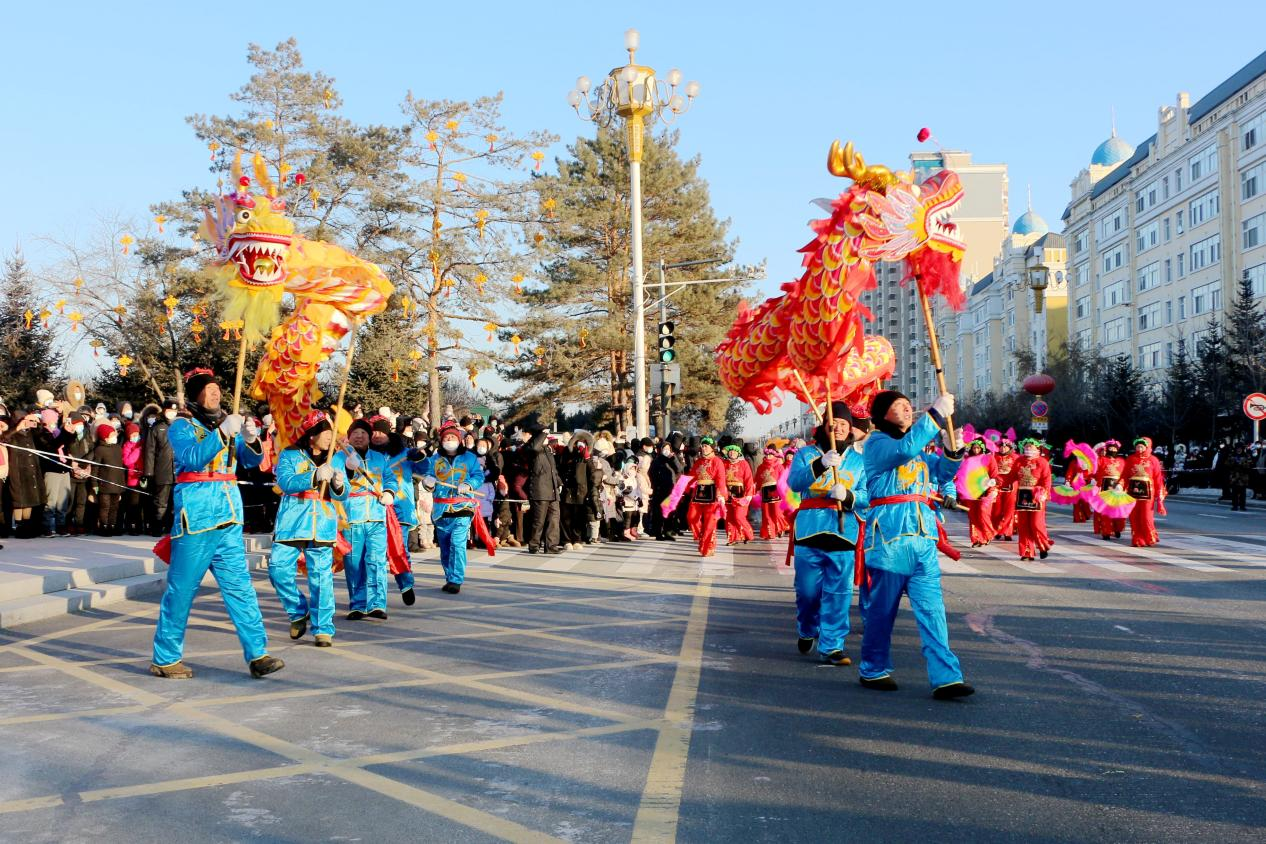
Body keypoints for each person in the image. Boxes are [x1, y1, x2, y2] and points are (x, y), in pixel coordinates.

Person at [150, 369, 282, 680]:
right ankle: (165, 657)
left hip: (229, 516)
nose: (215, 394)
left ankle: (258, 654)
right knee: (181, 591)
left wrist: (251, 440)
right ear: (195, 395)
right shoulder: (181, 426)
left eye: (217, 389)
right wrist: (223, 432)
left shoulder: (228, 421)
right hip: (196, 517)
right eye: (207, 390)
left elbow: (250, 464)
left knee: (241, 589)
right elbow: (193, 458)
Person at [859, 390, 973, 700]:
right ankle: (872, 667)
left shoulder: (919, 447)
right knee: (882, 611)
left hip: (923, 537)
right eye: (899, 408)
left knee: (933, 610)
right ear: (883, 415)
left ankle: (946, 676)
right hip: (889, 538)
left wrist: (952, 450)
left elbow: (942, 472)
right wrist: (935, 416)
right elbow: (904, 452)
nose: (908, 411)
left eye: (910, 407)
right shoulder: (878, 444)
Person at [787, 403, 868, 666]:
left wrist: (850, 496)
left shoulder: (858, 461)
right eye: (834, 424)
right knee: (807, 592)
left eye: (844, 425)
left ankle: (832, 645)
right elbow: (795, 483)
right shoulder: (806, 454)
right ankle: (807, 628)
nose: (839, 429)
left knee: (839, 593)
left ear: (850, 429)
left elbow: (868, 496)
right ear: (824, 427)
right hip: (809, 530)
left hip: (843, 532)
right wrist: (820, 465)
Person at [268, 410, 348, 648]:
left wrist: (339, 484)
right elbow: (286, 482)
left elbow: (342, 495)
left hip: (322, 522)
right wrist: (314, 476)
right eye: (325, 432)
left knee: (322, 579)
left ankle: (323, 628)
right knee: (278, 570)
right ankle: (297, 611)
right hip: (292, 521)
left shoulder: (335, 457)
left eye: (331, 432)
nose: (329, 437)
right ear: (312, 434)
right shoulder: (291, 454)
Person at [340, 418, 399, 620]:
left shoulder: (380, 459)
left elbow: (390, 478)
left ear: (369, 437)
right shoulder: (340, 457)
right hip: (351, 518)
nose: (359, 436)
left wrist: (390, 492)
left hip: (376, 516)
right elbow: (334, 483)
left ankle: (376, 604)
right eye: (355, 433)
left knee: (376, 561)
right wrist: (347, 469)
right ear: (349, 437)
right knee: (354, 563)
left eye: (363, 433)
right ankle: (357, 604)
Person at [418, 422, 485, 593]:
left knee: (457, 542)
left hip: (462, 506)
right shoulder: (434, 460)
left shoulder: (469, 458)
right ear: (441, 440)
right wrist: (428, 483)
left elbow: (478, 476)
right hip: (441, 509)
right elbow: (428, 479)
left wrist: (469, 484)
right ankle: (449, 577)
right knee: (446, 546)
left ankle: (456, 579)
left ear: (459, 439)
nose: (449, 439)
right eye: (446, 437)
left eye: (453, 437)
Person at [371, 416, 420, 606]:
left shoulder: (404, 453)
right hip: (374, 508)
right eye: (373, 432)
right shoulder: (366, 455)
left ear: (388, 433)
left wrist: (420, 457)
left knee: (399, 548)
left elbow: (425, 468)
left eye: (381, 432)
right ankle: (374, 594)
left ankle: (406, 584)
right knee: (375, 553)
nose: (377, 436)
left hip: (400, 506)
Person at [998, 439, 1053, 561]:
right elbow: (1010, 477)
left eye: (1031, 447)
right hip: (1022, 495)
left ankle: (1043, 546)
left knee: (1036, 524)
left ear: (1037, 449)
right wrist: (997, 482)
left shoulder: (1042, 462)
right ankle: (1027, 553)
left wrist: (1044, 493)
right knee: (1023, 525)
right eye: (1027, 447)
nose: (1029, 449)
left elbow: (1047, 480)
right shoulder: (1019, 461)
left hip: (1036, 496)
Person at [683, 437, 727, 557]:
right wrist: (683, 488)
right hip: (699, 493)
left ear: (712, 448)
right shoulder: (698, 461)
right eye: (702, 446)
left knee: (709, 523)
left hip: (712, 494)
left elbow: (721, 479)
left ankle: (708, 547)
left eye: (706, 446)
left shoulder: (717, 462)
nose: (703, 448)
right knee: (691, 517)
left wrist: (720, 494)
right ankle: (701, 535)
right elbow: (691, 476)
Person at [523, 423, 563, 554]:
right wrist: (543, 433)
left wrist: (559, 482)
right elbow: (535, 447)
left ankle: (551, 545)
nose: (547, 437)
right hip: (540, 490)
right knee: (538, 520)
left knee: (554, 519)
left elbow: (553, 470)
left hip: (552, 489)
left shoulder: (547, 449)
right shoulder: (531, 447)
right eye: (544, 435)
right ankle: (534, 544)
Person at [1123, 437, 1166, 546]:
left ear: (1147, 447)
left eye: (1142, 446)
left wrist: (1159, 497)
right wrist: (1120, 485)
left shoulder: (1153, 460)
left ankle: (1149, 537)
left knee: (1146, 516)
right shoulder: (1131, 459)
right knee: (1134, 517)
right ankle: (1137, 538)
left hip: (1148, 493)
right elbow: (1125, 475)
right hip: (1132, 493)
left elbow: (1158, 479)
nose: (1139, 448)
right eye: (1137, 446)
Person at [144, 399, 178, 535]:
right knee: (161, 502)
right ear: (164, 411)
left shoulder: (179, 427)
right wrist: (148, 472)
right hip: (162, 471)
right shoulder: (157, 428)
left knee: (174, 503)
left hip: (178, 471)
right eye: (169, 411)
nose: (172, 413)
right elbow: (149, 451)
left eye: (174, 411)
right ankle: (157, 527)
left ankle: (171, 527)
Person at [90, 423, 127, 536]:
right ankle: (103, 526)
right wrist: (94, 483)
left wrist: (122, 484)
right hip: (104, 483)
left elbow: (121, 468)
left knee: (115, 507)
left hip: (117, 483)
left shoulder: (117, 448)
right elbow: (95, 467)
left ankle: (112, 525)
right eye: (112, 435)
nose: (114, 437)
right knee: (105, 506)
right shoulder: (100, 449)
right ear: (105, 438)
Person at [962, 437, 998, 548]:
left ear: (982, 448)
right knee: (973, 516)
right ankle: (976, 539)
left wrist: (992, 486)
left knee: (983, 513)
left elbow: (994, 474)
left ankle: (988, 534)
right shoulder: (967, 459)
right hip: (971, 491)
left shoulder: (989, 458)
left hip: (986, 490)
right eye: (974, 448)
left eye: (978, 448)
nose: (976, 450)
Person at [721, 442, 756, 545]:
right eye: (730, 451)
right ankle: (732, 539)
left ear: (738, 453)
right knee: (729, 517)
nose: (732, 453)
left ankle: (748, 535)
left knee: (738, 516)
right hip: (727, 493)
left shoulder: (744, 464)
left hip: (741, 494)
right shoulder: (723, 464)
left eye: (734, 452)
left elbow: (749, 480)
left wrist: (749, 494)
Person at [1094, 440, 1127, 540]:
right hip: (1104, 487)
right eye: (1110, 448)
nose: (1112, 450)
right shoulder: (1101, 460)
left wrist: (1121, 485)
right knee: (1106, 511)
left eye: (1114, 449)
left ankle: (1117, 529)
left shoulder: (1121, 461)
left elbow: (1125, 475)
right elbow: (1094, 471)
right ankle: (1106, 531)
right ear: (1107, 449)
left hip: (1118, 488)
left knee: (1118, 511)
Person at [754, 444, 788, 540]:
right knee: (767, 514)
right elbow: (757, 480)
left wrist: (783, 491)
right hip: (764, 491)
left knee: (777, 512)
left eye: (771, 455)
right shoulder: (761, 467)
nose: (769, 457)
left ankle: (781, 528)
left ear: (774, 455)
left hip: (776, 490)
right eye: (767, 455)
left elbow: (783, 480)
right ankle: (770, 532)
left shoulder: (779, 466)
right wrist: (757, 490)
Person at [990, 437, 1018, 539]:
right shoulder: (993, 457)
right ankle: (996, 530)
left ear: (1010, 447)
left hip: (1011, 486)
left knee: (1009, 510)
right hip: (996, 485)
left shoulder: (1016, 457)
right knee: (996, 510)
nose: (1003, 448)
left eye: (1005, 447)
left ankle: (1007, 532)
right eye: (1001, 446)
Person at [1228, 443, 1254, 511]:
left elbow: (1250, 464)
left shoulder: (1246, 455)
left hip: (1243, 477)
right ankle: (1235, 506)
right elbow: (1227, 464)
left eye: (1240, 448)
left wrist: (1242, 464)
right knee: (1234, 493)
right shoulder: (1232, 455)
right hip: (1234, 477)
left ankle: (1242, 506)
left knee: (1242, 493)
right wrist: (1233, 463)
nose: (1239, 450)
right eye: (1237, 448)